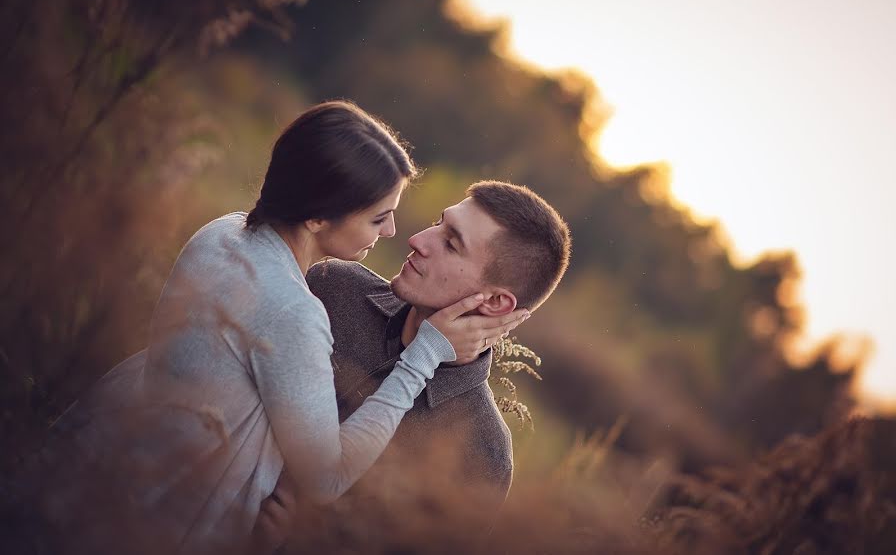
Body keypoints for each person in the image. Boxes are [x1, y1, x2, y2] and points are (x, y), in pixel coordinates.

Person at [31, 102, 528, 555]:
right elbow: (326, 478)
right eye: (379, 217)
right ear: (317, 216)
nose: (397, 234)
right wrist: (424, 355)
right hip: (151, 521)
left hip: (95, 461)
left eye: (450, 241)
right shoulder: (303, 306)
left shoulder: (223, 233)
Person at [255, 180, 572, 549]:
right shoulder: (332, 287)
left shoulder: (481, 455)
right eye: (439, 223)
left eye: (451, 243)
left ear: (497, 304)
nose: (418, 240)